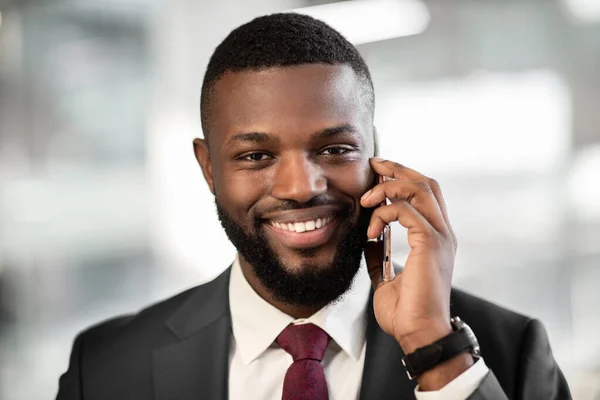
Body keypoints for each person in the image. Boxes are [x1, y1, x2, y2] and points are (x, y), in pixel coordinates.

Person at [56, 13, 571, 400]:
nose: (301, 186)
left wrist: (435, 352)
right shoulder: (105, 369)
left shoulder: (510, 353)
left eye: (335, 149)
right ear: (208, 167)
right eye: (256, 155)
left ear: (374, 152)